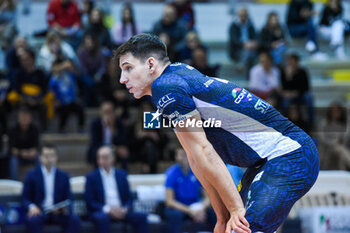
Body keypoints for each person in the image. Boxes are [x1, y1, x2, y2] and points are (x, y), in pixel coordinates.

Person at [114, 33, 320, 233]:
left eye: (128, 68)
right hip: (267, 161)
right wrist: (223, 216)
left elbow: (204, 151)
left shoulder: (166, 87)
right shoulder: (175, 75)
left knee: (243, 228)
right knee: (236, 226)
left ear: (150, 64)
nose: (123, 79)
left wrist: (235, 209)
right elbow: (195, 158)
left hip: (289, 154)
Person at [84, 146, 149, 233]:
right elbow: (90, 202)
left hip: (121, 210)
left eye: (105, 157)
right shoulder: (91, 177)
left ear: (113, 158)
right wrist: (108, 210)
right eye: (99, 157)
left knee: (141, 217)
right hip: (103, 211)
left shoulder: (122, 175)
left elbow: (129, 198)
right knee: (103, 218)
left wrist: (124, 209)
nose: (101, 160)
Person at [22, 144, 81, 233]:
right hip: (40, 211)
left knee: (74, 219)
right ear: (40, 157)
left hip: (57, 212)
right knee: (32, 220)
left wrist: (65, 208)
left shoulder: (64, 176)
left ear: (56, 157)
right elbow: (25, 198)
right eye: (46, 156)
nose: (49, 159)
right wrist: (32, 207)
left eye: (52, 156)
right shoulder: (31, 175)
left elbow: (69, 198)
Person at [165, 148, 215, 233]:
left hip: (195, 206)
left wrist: (201, 208)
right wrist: (190, 211)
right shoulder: (171, 173)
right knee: (176, 215)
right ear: (176, 157)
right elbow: (169, 201)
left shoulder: (197, 171)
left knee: (214, 212)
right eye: (180, 155)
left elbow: (207, 197)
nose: (181, 158)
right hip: (179, 207)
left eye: (184, 155)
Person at [87, 101, 129, 169]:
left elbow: (122, 141)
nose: (108, 115)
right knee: (97, 153)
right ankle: (98, 174)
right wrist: (113, 148)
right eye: (106, 112)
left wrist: (112, 129)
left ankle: (123, 176)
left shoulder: (118, 123)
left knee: (124, 152)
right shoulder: (95, 123)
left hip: (114, 149)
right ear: (101, 113)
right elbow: (95, 142)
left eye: (110, 112)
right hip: (100, 147)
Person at [8, 107, 40, 180]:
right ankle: (15, 182)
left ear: (30, 119)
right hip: (18, 156)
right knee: (13, 160)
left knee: (39, 158)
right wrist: (22, 153)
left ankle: (39, 180)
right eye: (22, 117)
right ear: (18, 119)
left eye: (26, 117)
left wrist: (32, 152)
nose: (24, 119)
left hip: (30, 156)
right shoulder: (12, 130)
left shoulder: (35, 129)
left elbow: (37, 146)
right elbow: (12, 149)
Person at [228, 8, 258, 74]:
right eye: (242, 15)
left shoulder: (250, 25)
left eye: (245, 15)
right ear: (238, 15)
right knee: (249, 54)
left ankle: (241, 64)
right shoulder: (233, 26)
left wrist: (252, 43)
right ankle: (249, 75)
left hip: (250, 48)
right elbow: (234, 40)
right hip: (237, 50)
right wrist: (244, 44)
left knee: (250, 53)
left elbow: (255, 37)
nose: (243, 17)